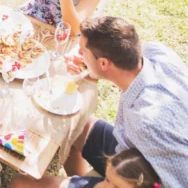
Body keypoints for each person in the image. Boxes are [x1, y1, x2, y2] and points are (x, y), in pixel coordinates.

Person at [11, 17, 188, 188]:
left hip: (141, 179)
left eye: (83, 51)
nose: (78, 54)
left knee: (20, 183)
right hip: (131, 153)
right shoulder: (157, 52)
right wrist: (89, 66)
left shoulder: (146, 123)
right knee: (74, 123)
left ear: (104, 63)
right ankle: (82, 180)